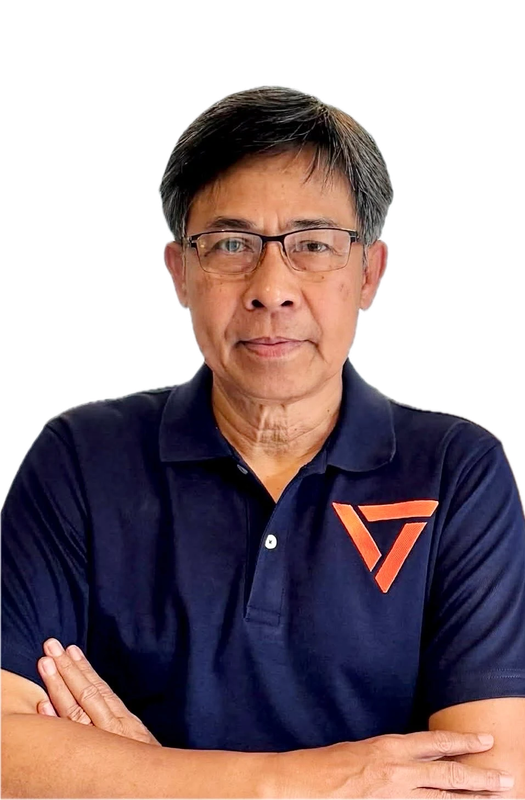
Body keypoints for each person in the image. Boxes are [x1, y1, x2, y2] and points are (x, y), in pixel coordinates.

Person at [2, 84, 524, 798]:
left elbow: (489, 783)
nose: (271, 287)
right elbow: (9, 755)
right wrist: (297, 783)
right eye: (230, 244)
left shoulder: (456, 470)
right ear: (179, 272)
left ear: (369, 274)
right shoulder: (79, 458)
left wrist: (142, 778)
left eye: (312, 245)